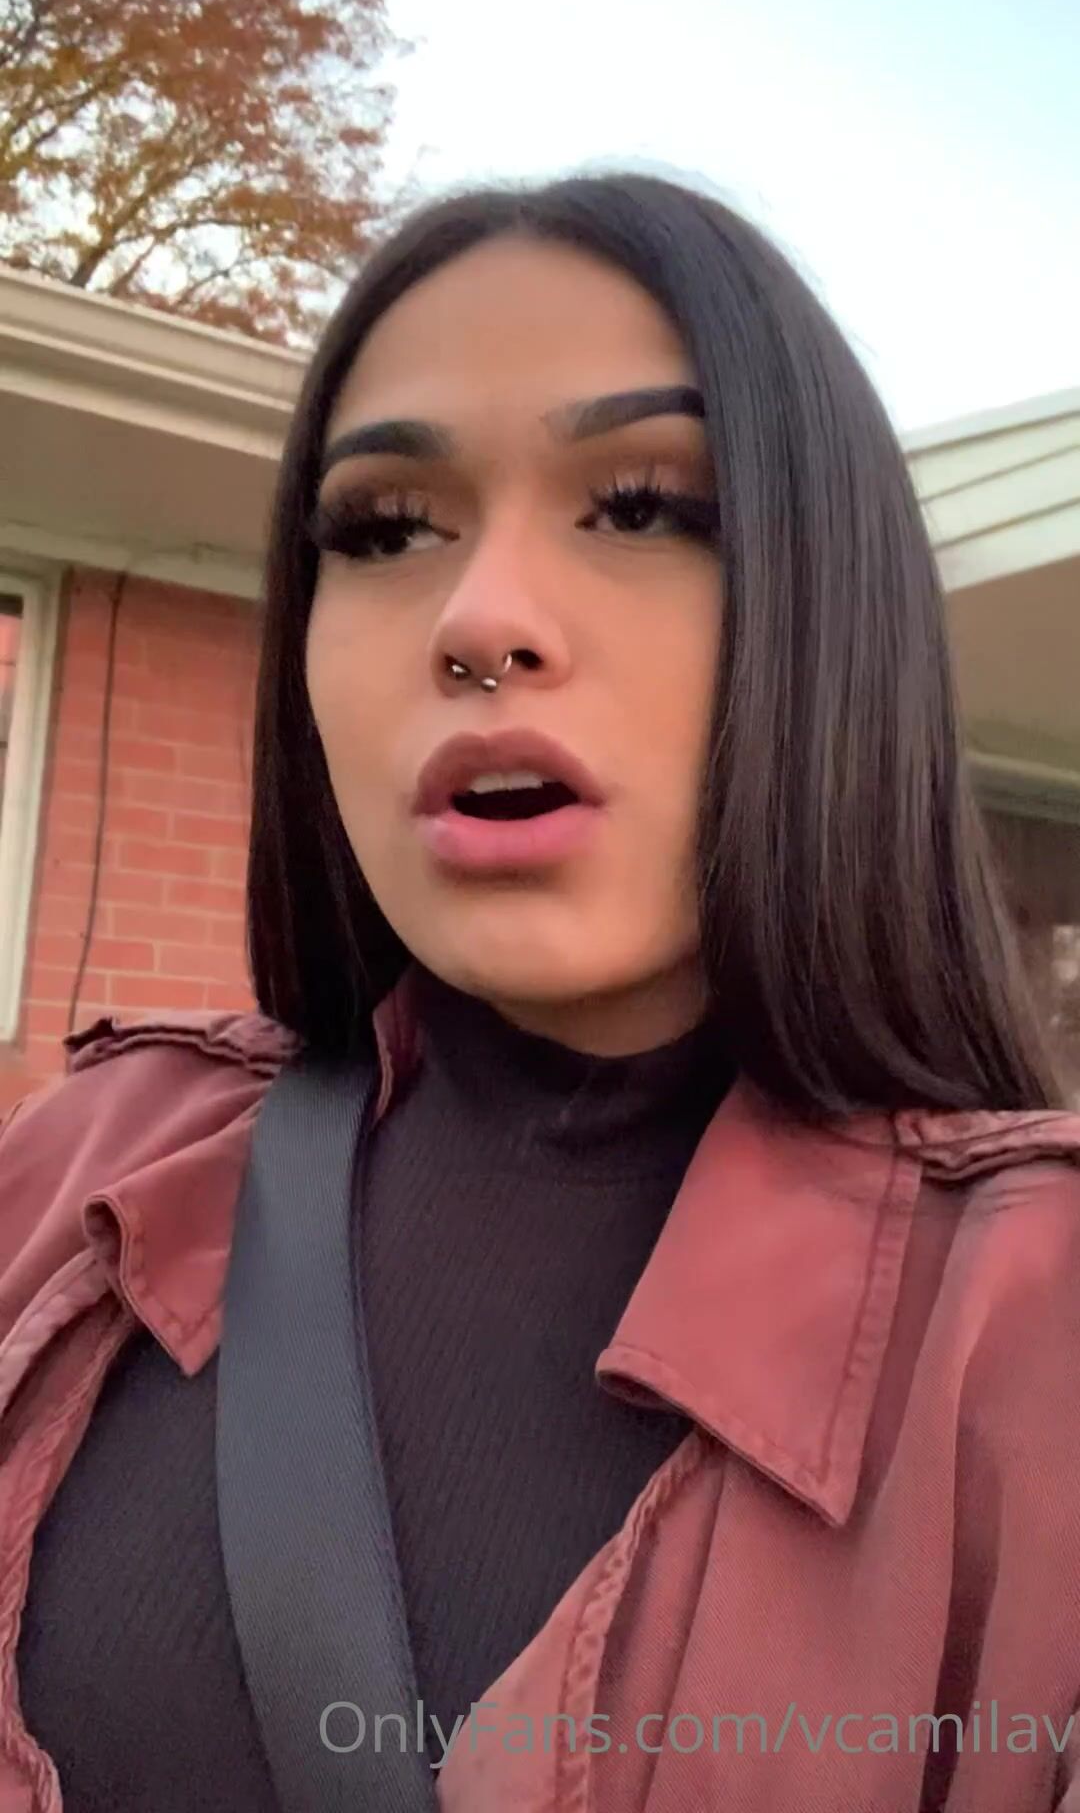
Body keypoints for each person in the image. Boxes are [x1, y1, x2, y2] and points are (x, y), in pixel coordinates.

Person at [1, 172, 1079, 1813]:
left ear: (835, 608)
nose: (478, 620)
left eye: (641, 507)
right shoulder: (87, 1161)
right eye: (385, 531)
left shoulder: (1034, 1337)